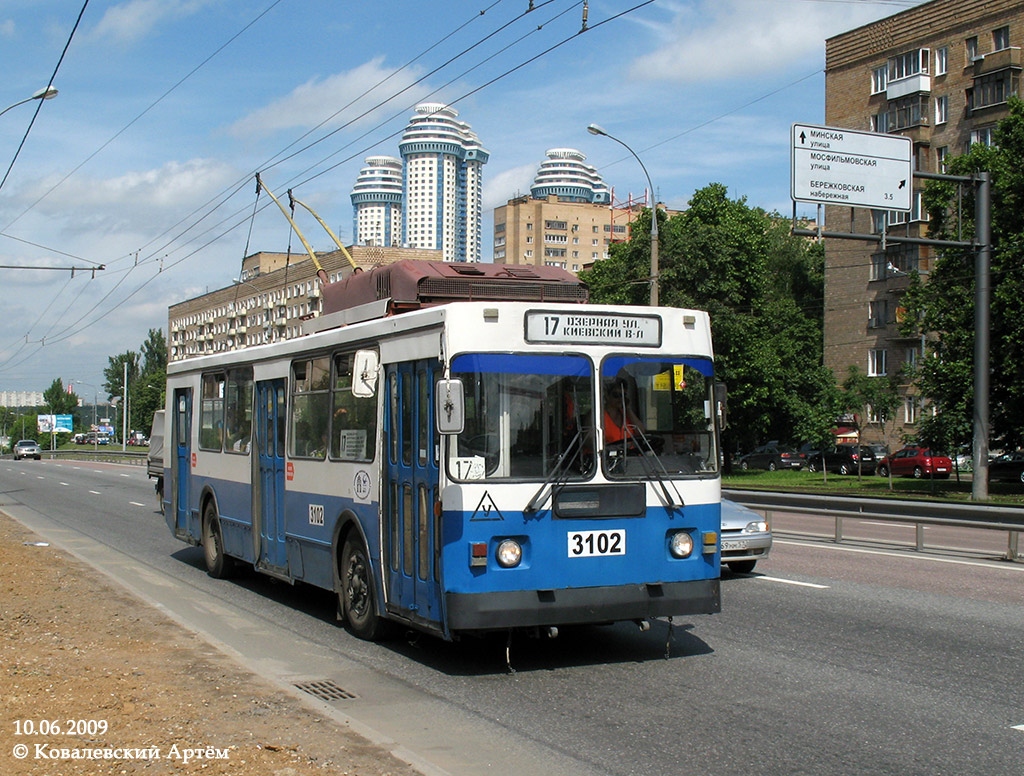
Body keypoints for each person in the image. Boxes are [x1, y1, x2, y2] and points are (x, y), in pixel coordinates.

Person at [603, 380, 644, 444]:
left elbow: (641, 433)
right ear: (607, 396)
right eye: (616, 395)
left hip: (629, 453)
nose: (620, 398)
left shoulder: (627, 415)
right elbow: (591, 441)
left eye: (623, 395)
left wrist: (628, 409)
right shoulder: (597, 416)